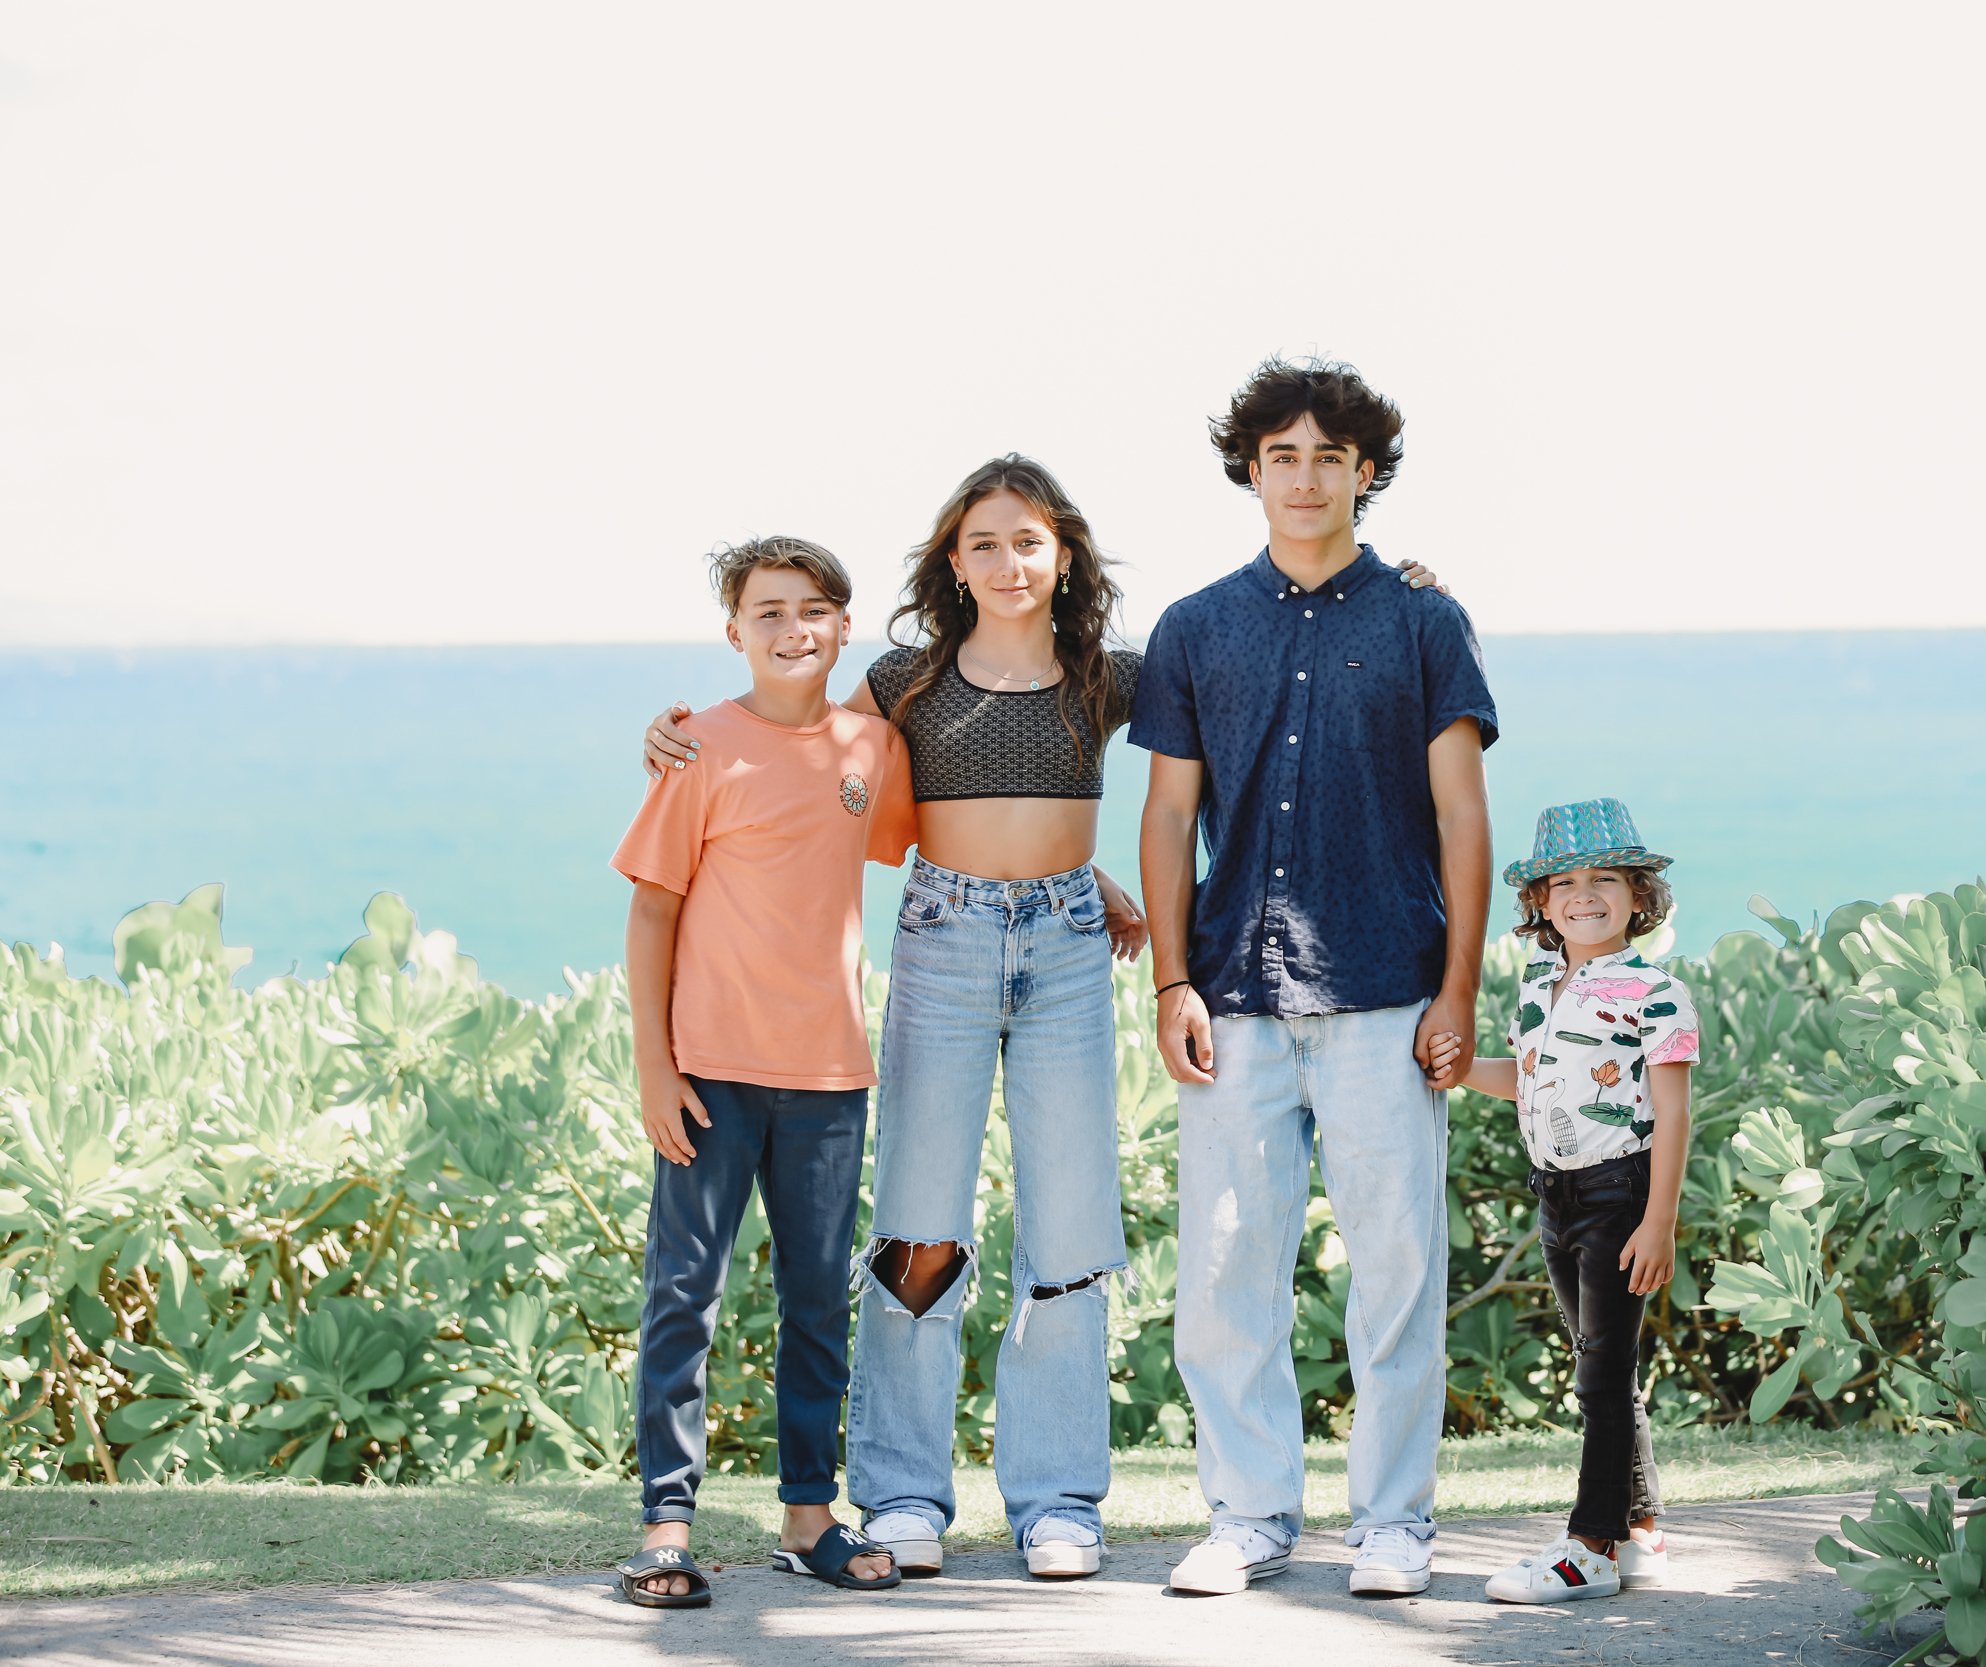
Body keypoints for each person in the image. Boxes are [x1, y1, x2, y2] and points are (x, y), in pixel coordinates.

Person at [638, 459, 1446, 1583]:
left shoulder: (1109, 673)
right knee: (921, 1228)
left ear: (1061, 553)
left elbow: (1253, 673)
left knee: (1069, 1235)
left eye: (1027, 540)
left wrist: (1393, 585)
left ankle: (1058, 1499)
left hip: (1068, 948)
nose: (1006, 562)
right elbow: (792, 736)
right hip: (944, 941)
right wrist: (674, 732)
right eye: (982, 542)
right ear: (952, 560)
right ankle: (905, 1494)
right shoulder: (900, 678)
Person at [1131, 356, 1497, 1597]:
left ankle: (1393, 1522)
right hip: (1232, 994)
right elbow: (1168, 814)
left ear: (1365, 474)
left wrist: (1459, 989)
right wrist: (1173, 979)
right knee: (1227, 1270)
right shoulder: (1192, 627)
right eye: (1280, 455)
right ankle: (1247, 1516)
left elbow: (1462, 818)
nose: (1303, 476)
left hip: (1389, 988)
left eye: (1327, 457)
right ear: (1249, 469)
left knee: (1396, 1269)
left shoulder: (1422, 622)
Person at [609, 536, 913, 1606]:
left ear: (843, 625)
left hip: (829, 1073)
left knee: (816, 1300)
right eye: (768, 611)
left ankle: (806, 1515)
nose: (793, 628)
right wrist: (655, 1065)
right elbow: (653, 908)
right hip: (711, 1075)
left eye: (814, 609)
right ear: (735, 631)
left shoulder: (872, 746)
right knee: (685, 1293)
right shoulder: (699, 748)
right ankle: (665, 1521)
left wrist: (1088, 875)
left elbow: (953, 846)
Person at [1437, 798, 1696, 1605]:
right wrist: (1454, 1069)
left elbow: (1675, 1112)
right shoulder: (1540, 982)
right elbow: (1525, 1078)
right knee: (1601, 1364)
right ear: (1542, 904)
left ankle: (1591, 1545)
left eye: (1606, 879)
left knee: (1602, 1376)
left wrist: (1659, 1220)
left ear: (1638, 896)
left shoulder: (1656, 992)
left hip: (1621, 1193)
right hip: (1555, 1192)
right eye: (1568, 882)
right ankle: (1643, 1528)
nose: (1586, 894)